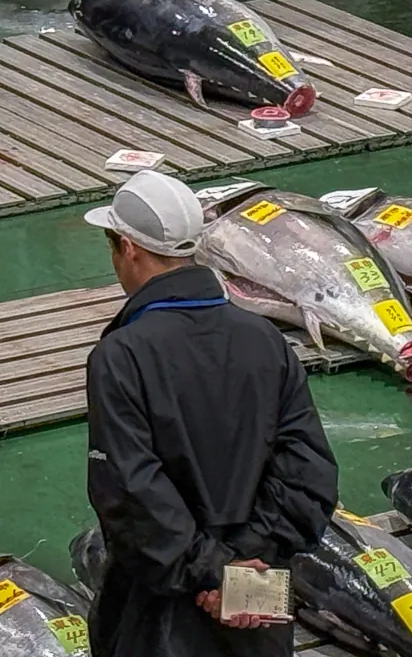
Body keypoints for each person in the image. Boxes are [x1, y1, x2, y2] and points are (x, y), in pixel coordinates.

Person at [82, 171, 338, 656]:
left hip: (158, 608)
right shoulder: (264, 339)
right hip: (257, 599)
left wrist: (212, 572)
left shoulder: (122, 355)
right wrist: (246, 567)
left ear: (129, 248)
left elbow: (130, 492)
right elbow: (311, 474)